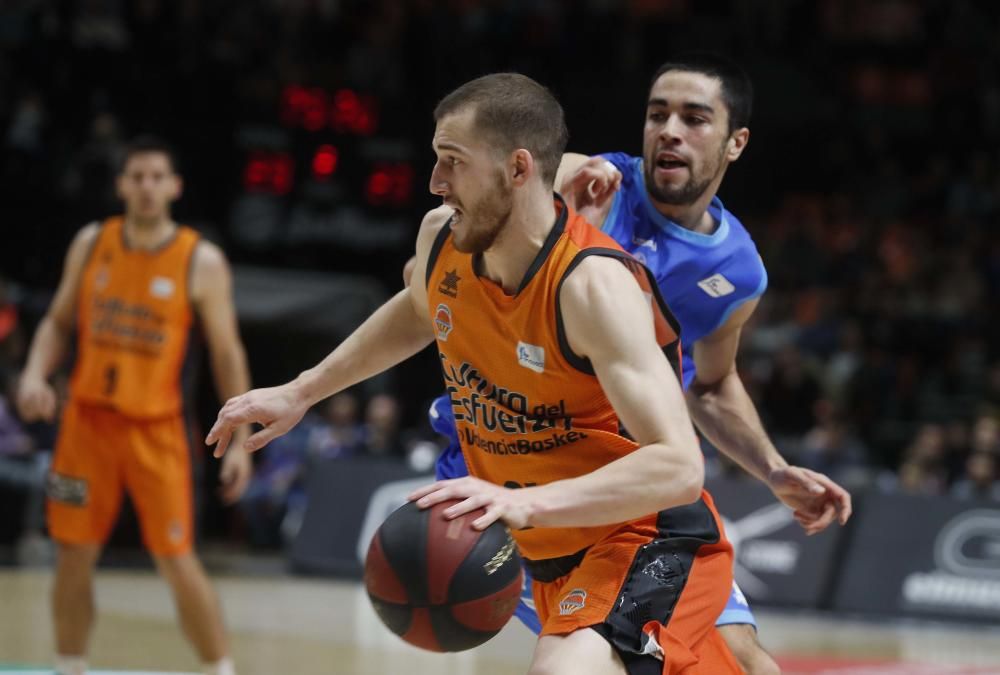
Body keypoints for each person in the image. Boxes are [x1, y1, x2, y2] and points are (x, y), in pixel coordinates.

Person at [209, 73, 741, 674]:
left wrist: (524, 503)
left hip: (645, 538)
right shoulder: (443, 238)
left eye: (452, 163)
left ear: (517, 169)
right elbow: (418, 311)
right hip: (554, 551)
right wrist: (300, 392)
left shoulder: (592, 286)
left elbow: (677, 466)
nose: (436, 183)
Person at [416, 53, 854, 675]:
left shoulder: (735, 271)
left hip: (634, 490)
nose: (669, 130)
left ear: (736, 143)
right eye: (657, 114)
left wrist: (772, 468)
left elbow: (710, 385)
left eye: (694, 118)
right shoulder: (579, 179)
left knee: (746, 660)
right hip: (522, 472)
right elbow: (440, 280)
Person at [16, 136, 252, 675]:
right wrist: (34, 373)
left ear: (174, 186)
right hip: (84, 426)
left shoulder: (201, 259)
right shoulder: (92, 242)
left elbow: (226, 353)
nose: (146, 187)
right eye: (136, 177)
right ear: (121, 185)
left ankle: (220, 669)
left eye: (156, 177)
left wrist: (241, 439)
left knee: (176, 558)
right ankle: (69, 665)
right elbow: (56, 321)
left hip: (158, 431)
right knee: (72, 555)